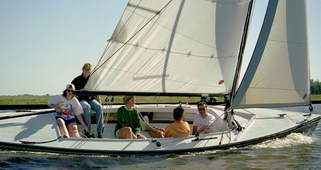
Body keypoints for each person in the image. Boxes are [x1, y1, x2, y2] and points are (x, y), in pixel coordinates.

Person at [72, 63, 104, 138]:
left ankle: (100, 131)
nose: (87, 73)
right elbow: (71, 93)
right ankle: (87, 131)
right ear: (83, 70)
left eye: (89, 71)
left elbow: (97, 93)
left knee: (99, 107)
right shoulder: (76, 80)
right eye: (86, 71)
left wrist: (100, 103)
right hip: (81, 100)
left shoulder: (93, 80)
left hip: (91, 99)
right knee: (87, 107)